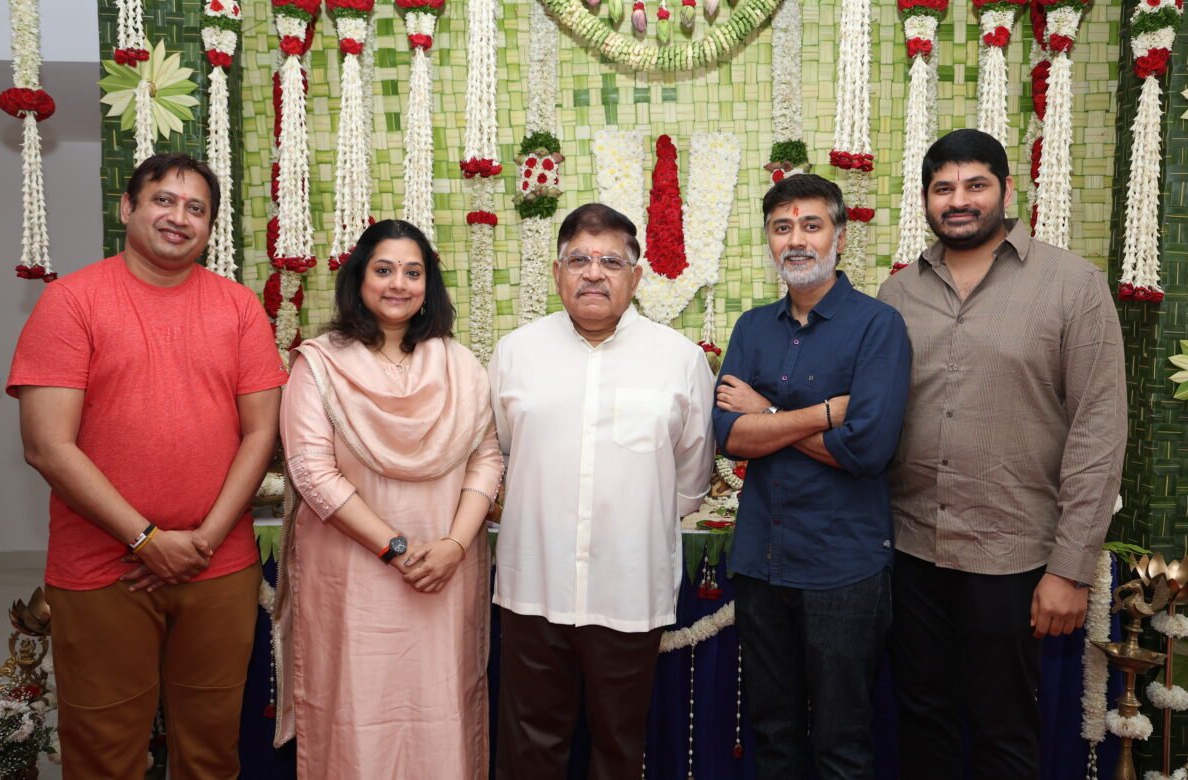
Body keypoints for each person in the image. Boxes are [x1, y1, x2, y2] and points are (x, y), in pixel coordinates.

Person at [8, 153, 285, 779]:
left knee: (211, 749)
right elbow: (47, 446)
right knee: (105, 749)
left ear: (209, 226)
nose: (179, 217)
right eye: (164, 200)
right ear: (127, 207)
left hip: (218, 564)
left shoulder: (239, 307)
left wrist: (204, 539)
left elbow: (261, 432)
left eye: (196, 208)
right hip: (103, 566)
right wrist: (147, 539)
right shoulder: (71, 302)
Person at [877, 128, 1127, 779]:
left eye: (975, 185)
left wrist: (1071, 569)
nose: (958, 200)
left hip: (1012, 554)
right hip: (911, 549)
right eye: (943, 188)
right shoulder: (898, 294)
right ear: (925, 200)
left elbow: (1099, 431)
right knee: (920, 719)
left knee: (1005, 730)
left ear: (1007, 190)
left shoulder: (1072, 286)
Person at [490, 203, 715, 779]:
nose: (594, 273)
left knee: (618, 747)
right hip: (534, 586)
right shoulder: (516, 353)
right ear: (557, 272)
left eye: (611, 261)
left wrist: (637, 521)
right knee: (529, 747)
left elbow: (691, 474)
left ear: (635, 276)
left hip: (628, 588)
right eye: (579, 260)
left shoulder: (679, 359)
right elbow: (502, 452)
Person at [274, 219, 503, 779]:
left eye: (412, 272)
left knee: (441, 707)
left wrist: (453, 546)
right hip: (353, 579)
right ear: (359, 278)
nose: (398, 283)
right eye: (384, 269)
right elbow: (312, 473)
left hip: (444, 575)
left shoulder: (460, 365)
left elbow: (487, 458)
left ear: (429, 285)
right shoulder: (319, 364)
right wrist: (396, 549)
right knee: (357, 710)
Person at [712, 174, 911, 779]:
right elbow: (729, 436)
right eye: (782, 227)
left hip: (843, 568)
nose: (796, 240)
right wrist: (823, 414)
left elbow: (867, 450)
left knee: (840, 742)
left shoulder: (878, 325)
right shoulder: (752, 328)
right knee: (773, 738)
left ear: (839, 238)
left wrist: (767, 415)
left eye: (811, 225)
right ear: (769, 241)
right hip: (760, 563)